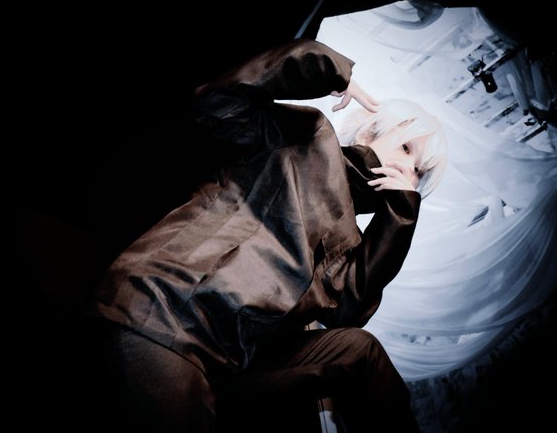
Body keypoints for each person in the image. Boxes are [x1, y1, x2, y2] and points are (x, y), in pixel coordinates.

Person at [89, 38, 447, 432]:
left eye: (420, 173)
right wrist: (325, 68)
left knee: (360, 352)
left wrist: (400, 216)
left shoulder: (351, 243)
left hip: (222, 359)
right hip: (166, 315)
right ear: (370, 132)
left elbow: (348, 310)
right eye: (406, 148)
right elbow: (220, 102)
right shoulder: (309, 136)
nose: (409, 171)